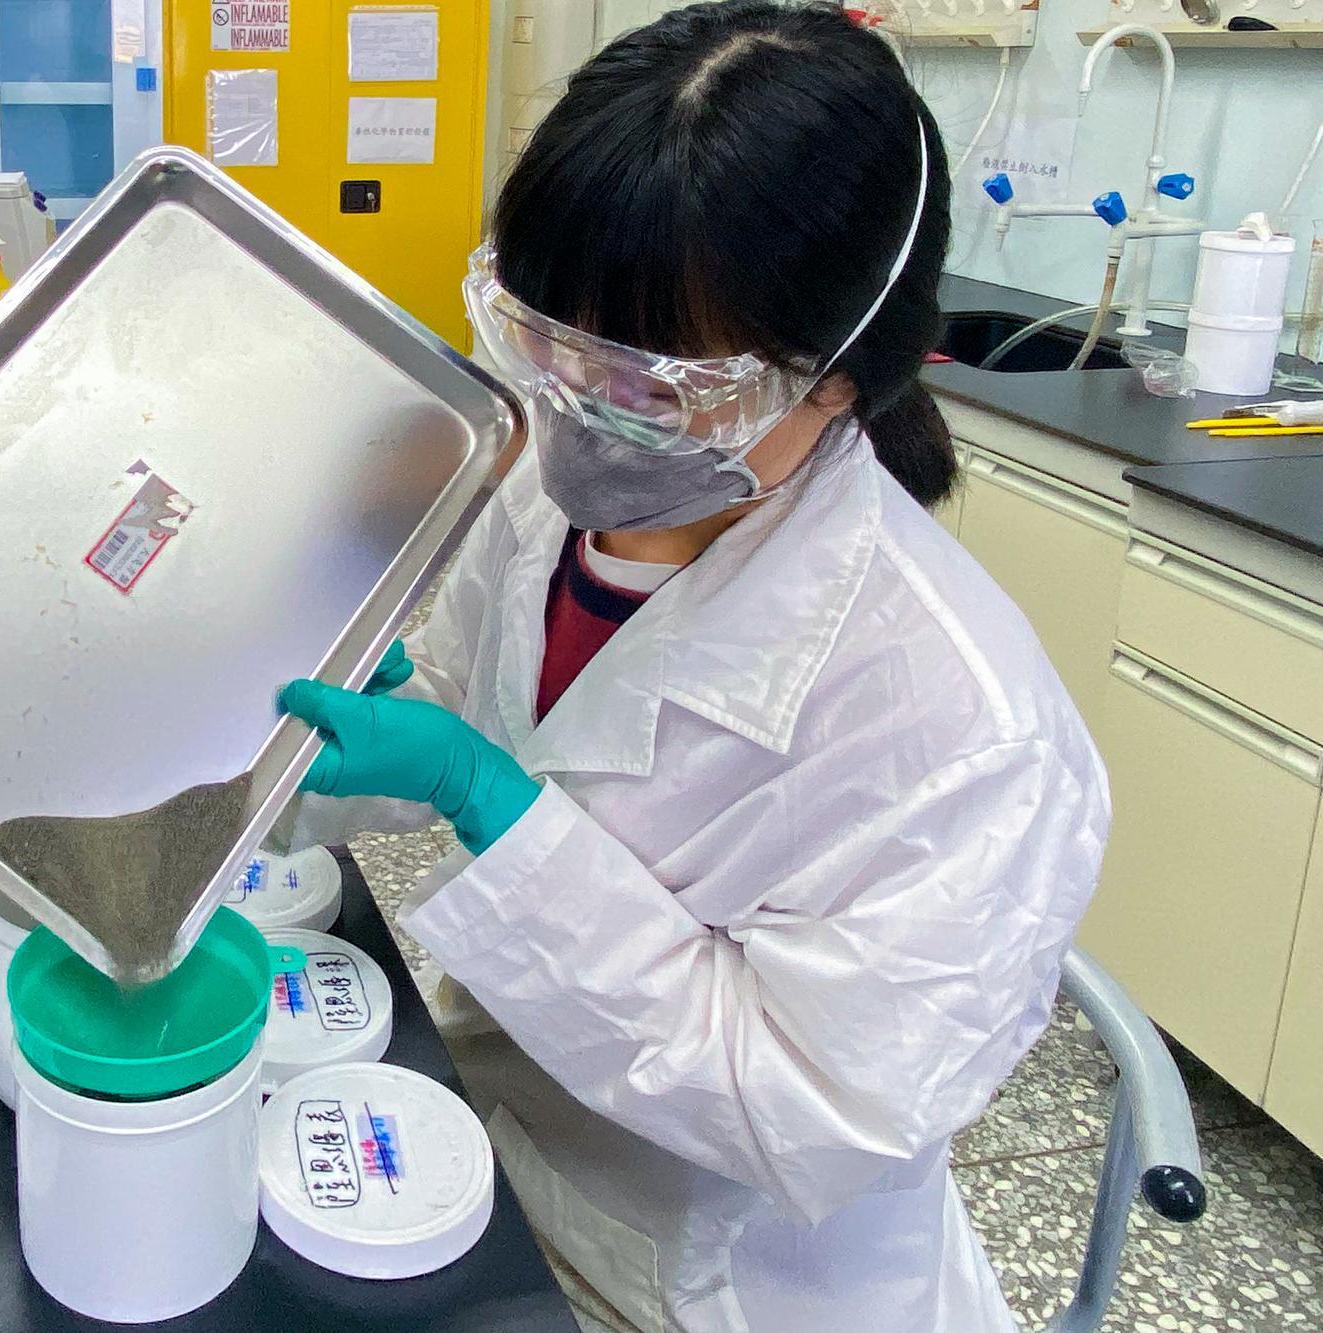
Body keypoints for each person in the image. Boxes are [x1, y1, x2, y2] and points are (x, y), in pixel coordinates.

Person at [275, 4, 1110, 1331]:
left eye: (650, 381)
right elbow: (458, 708)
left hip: (722, 1278)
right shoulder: (547, 502)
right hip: (501, 1153)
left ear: (835, 376)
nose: (572, 402)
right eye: (543, 334)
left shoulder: (964, 728)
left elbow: (806, 1110)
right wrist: (300, 758)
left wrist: (494, 801)